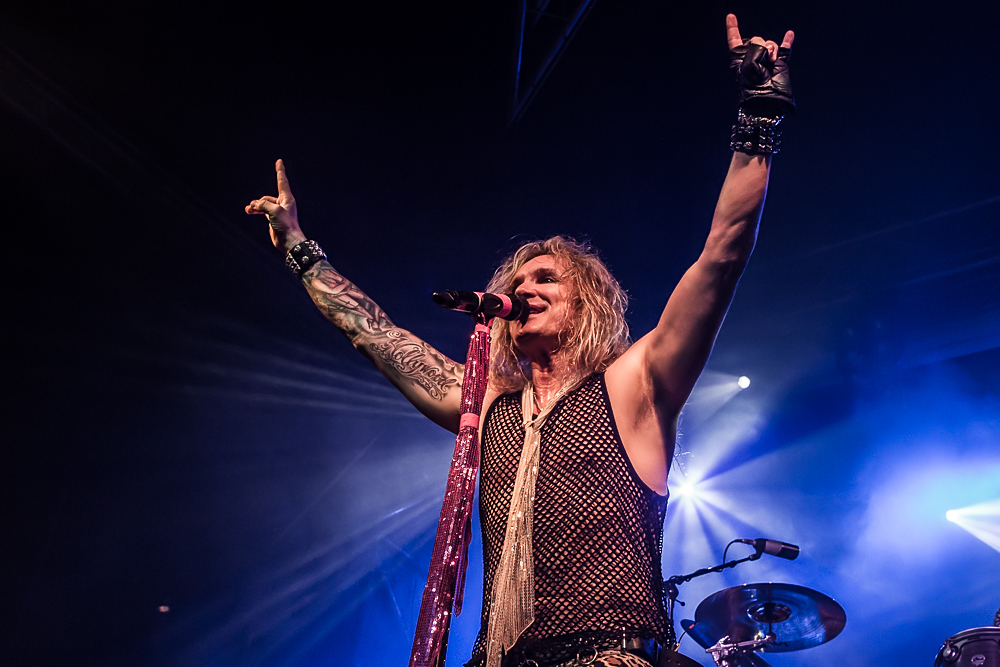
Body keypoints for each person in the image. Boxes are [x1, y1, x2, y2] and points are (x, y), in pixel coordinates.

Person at [246, 14, 794, 667]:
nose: (524, 288)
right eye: (516, 281)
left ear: (588, 301)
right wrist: (301, 250)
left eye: (546, 279)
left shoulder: (634, 383)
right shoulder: (490, 403)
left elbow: (722, 256)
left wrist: (759, 114)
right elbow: (377, 334)